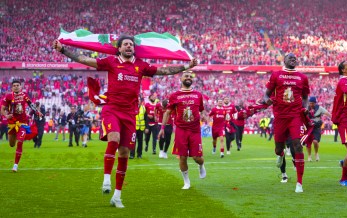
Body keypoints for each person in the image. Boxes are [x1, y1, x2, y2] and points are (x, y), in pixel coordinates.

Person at [53, 36, 198, 208]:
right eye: (126, 44)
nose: (129, 46)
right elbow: (84, 59)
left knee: (124, 153)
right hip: (112, 109)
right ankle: (106, 179)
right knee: (113, 138)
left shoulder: (141, 65)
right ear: (119, 48)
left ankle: (117, 196)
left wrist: (187, 66)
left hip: (130, 114)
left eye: (131, 44)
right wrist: (63, 50)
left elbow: (163, 71)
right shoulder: (111, 62)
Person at [262, 53, 310, 193]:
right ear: (284, 60)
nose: (293, 59)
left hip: (295, 115)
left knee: (297, 146)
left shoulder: (302, 77)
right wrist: (267, 100)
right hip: (280, 116)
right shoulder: (276, 75)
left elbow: (305, 97)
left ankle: (299, 183)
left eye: (295, 58)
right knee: (278, 148)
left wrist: (305, 108)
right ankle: (281, 155)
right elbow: (266, 94)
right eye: (290, 58)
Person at [158, 72, 206, 189]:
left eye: (190, 77)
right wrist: (162, 128)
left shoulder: (198, 95)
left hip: (195, 130)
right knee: (182, 157)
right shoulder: (175, 95)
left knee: (197, 158)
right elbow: (168, 112)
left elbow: (202, 110)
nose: (188, 78)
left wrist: (204, 117)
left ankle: (201, 165)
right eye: (186, 76)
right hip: (181, 130)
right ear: (181, 79)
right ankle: (186, 182)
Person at [1, 80, 42, 172]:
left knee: (20, 142)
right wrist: (6, 115)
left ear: (20, 87)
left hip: (22, 123)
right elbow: (2, 109)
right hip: (12, 123)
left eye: (17, 85)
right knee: (12, 144)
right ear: (12, 87)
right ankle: (15, 136)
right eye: (14, 85)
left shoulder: (24, 95)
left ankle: (15, 165)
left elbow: (31, 104)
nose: (16, 87)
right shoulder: (8, 96)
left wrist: (37, 112)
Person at [305, 96, 331, 162]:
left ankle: (316, 153)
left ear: (315, 103)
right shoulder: (306, 109)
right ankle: (309, 156)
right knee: (308, 143)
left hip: (316, 127)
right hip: (308, 127)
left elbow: (328, 114)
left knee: (315, 141)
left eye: (313, 103)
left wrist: (334, 118)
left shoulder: (320, 108)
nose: (311, 104)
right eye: (310, 103)